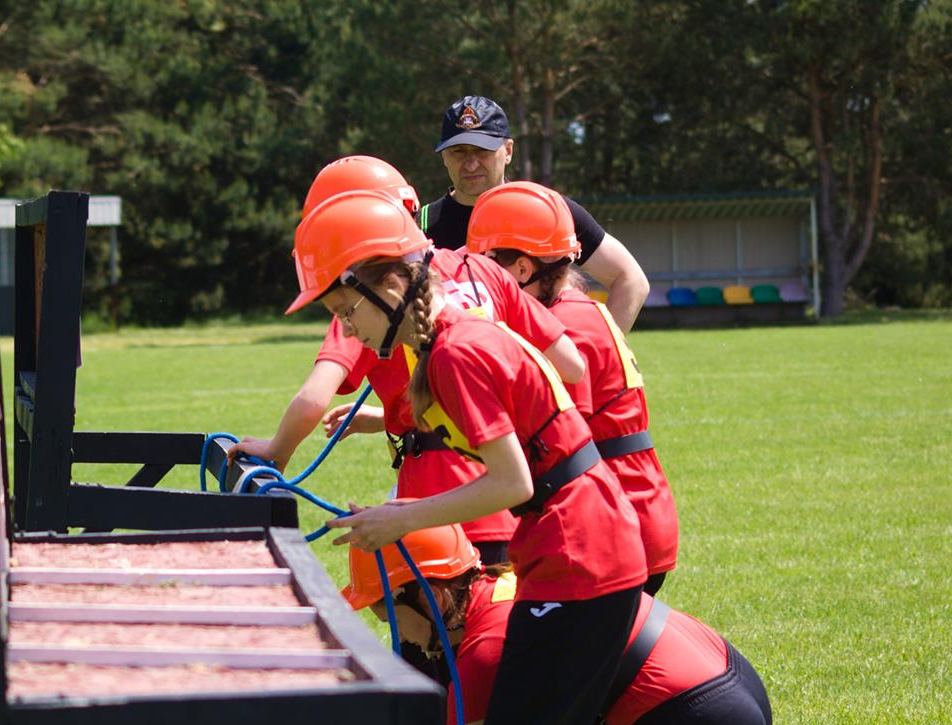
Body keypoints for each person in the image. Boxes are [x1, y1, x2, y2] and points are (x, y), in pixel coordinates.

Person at [293, 189, 647, 725]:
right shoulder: (448, 337)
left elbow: (514, 481)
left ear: (391, 284)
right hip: (573, 541)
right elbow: (558, 373)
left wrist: (401, 520)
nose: (346, 327)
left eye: (347, 309)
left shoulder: (454, 350)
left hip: (580, 550)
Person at [229, 155, 584, 567]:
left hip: (439, 502)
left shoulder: (371, 300)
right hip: (518, 506)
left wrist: (276, 451)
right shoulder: (478, 267)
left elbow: (313, 399)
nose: (347, 325)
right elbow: (569, 367)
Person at [342, 524, 772, 725]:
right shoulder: (500, 587)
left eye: (389, 616)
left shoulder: (488, 646)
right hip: (722, 689)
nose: (397, 634)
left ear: (430, 597)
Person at [466, 181, 679, 596]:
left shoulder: (566, 329)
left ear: (523, 270)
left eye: (491, 270)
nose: (485, 285)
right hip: (631, 510)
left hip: (615, 524)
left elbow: (558, 444)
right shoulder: (579, 312)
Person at [420, 95, 651, 333]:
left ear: (508, 151)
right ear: (443, 157)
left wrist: (596, 350)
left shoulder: (546, 211)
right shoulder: (418, 226)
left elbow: (631, 280)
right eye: (458, 151)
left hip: (541, 357)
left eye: (482, 150)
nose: (471, 164)